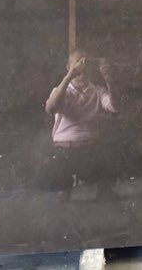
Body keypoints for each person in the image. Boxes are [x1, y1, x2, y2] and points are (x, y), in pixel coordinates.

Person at [45, 50, 116, 193]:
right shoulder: (61, 91)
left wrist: (109, 81)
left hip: (91, 148)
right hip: (64, 149)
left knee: (110, 149)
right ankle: (64, 191)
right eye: (78, 62)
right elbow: (51, 109)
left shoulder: (98, 91)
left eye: (85, 63)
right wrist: (69, 76)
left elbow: (115, 108)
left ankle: (104, 191)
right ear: (68, 66)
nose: (82, 67)